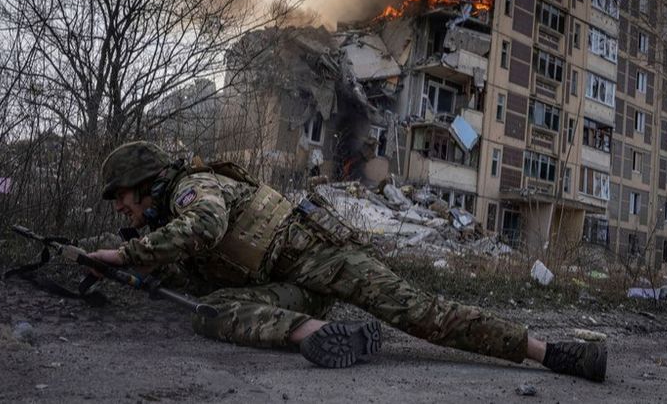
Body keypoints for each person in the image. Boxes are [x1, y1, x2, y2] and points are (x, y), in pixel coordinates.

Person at [82, 141, 607, 381]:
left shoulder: (190, 190)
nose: (122, 207)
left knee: (423, 314)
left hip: (325, 260)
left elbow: (207, 227)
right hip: (292, 291)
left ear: (146, 183)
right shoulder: (164, 217)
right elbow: (198, 269)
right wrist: (131, 267)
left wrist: (124, 252)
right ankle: (316, 334)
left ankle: (551, 353)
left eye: (122, 196)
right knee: (210, 310)